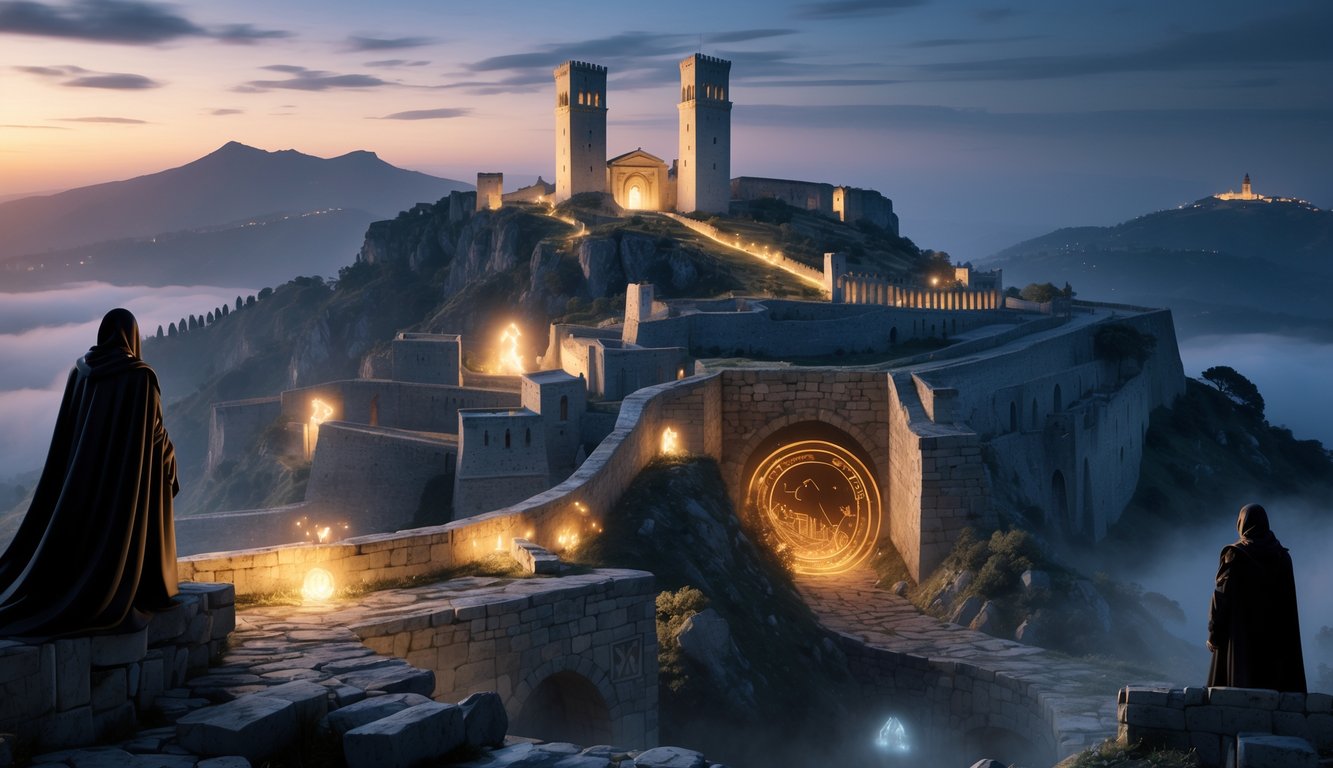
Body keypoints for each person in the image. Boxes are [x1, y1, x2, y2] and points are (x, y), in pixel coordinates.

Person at [0, 308, 180, 638]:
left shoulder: (80, 372)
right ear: (132, 336)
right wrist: (170, 459)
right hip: (124, 480)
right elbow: (153, 434)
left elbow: (71, 431)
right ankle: (150, 585)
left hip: (81, 483)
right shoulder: (140, 376)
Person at [1206, 503, 1306, 691]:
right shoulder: (1282, 557)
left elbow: (1221, 598)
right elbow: (1287, 606)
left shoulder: (1235, 554)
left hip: (1239, 641)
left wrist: (1214, 634)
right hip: (1275, 645)